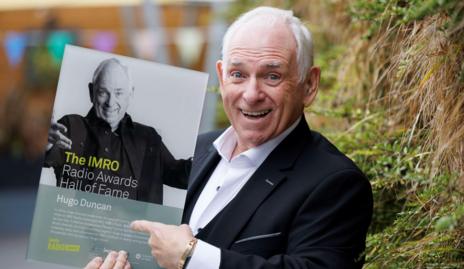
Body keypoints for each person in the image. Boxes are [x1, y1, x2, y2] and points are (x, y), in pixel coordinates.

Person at [85, 6, 373, 269]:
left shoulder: (336, 183)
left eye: (272, 76)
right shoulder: (196, 149)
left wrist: (192, 256)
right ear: (222, 77)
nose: (251, 94)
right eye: (238, 74)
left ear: (309, 85)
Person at [44, 58, 190, 204]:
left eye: (118, 93)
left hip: (137, 226)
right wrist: (45, 142)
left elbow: (179, 175)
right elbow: (48, 155)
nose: (111, 102)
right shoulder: (72, 127)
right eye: (103, 93)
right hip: (79, 224)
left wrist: (206, 156)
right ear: (91, 91)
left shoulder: (148, 138)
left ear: (130, 93)